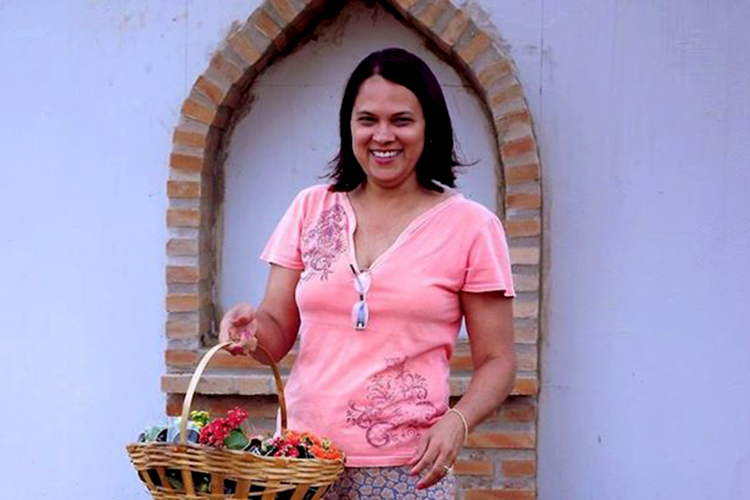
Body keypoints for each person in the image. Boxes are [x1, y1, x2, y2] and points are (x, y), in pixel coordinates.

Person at [219, 47, 516, 499]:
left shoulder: (472, 227)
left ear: (429, 126)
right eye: (367, 120)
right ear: (349, 127)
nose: (383, 135)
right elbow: (276, 331)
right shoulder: (309, 208)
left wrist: (457, 421)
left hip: (408, 470)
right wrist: (250, 331)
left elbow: (498, 361)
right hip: (301, 464)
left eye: (402, 120)